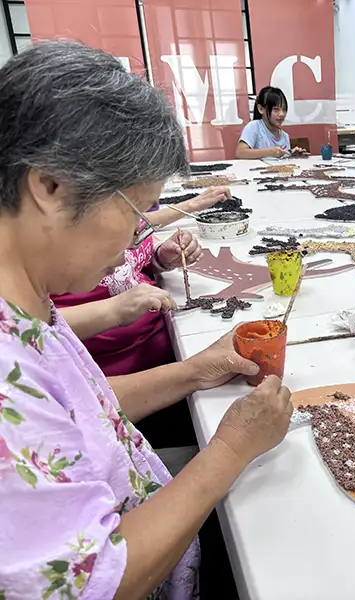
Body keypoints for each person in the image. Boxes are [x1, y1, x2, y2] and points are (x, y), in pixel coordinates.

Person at [0, 41, 292, 599]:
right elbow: (97, 585)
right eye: (136, 211)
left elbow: (77, 415)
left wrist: (192, 372)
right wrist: (230, 449)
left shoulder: (28, 300)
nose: (140, 235)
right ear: (50, 185)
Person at [53, 186, 230, 378]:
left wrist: (160, 259)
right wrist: (112, 311)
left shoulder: (113, 225)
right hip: (126, 378)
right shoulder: (54, 247)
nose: (123, 255)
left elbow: (130, 264)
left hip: (172, 346)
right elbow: (27, 327)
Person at [236, 86, 306, 159]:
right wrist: (270, 152)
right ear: (260, 109)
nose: (282, 114)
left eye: (284, 109)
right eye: (276, 109)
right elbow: (240, 153)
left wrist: (292, 155)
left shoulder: (285, 136)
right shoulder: (254, 127)